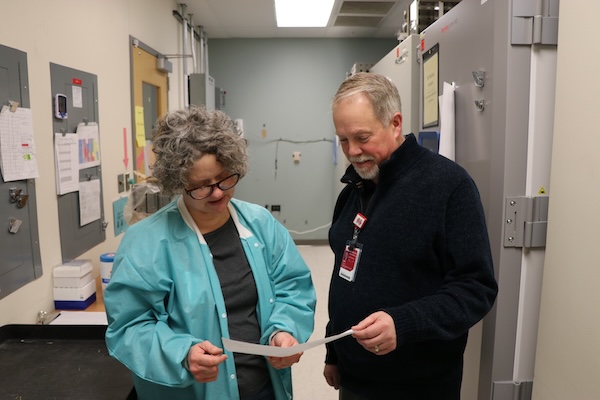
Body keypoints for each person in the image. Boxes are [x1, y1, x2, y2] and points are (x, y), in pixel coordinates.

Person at [104, 106, 316, 400]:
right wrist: (182, 354)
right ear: (178, 183)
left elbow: (291, 288)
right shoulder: (147, 242)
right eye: (201, 186)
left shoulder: (260, 225)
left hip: (263, 387)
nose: (217, 193)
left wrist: (284, 330)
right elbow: (131, 326)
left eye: (224, 178)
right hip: (191, 391)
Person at [323, 72, 498, 399]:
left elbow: (476, 288)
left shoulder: (448, 187)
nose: (353, 150)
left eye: (362, 136)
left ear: (395, 123)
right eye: (343, 139)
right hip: (355, 378)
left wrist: (403, 324)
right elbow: (344, 278)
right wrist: (334, 352)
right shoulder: (353, 191)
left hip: (420, 384)